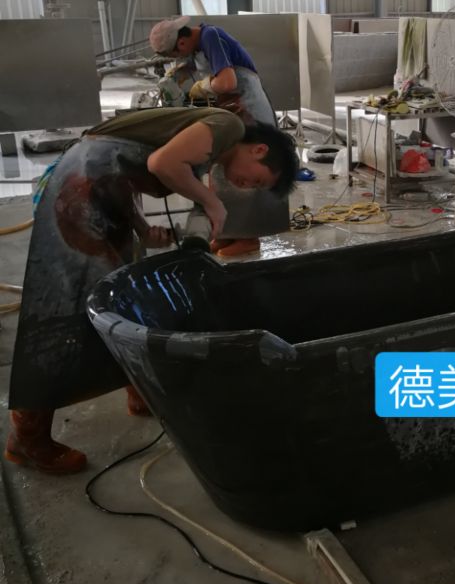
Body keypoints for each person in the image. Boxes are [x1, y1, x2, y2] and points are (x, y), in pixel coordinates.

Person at [5, 106, 298, 476]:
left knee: (125, 296)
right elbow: (161, 163)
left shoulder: (209, 154)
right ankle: (27, 436)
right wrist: (212, 202)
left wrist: (143, 229)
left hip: (100, 193)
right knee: (72, 309)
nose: (246, 186)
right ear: (259, 150)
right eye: (257, 180)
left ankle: (137, 389)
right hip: (79, 195)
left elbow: (119, 173)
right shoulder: (229, 126)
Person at [150, 19, 282, 259]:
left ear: (182, 42)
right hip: (232, 108)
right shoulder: (198, 47)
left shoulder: (210, 36)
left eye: (175, 54)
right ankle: (226, 234)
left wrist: (204, 86)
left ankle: (248, 238)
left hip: (248, 108)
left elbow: (227, 82)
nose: (178, 57)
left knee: (243, 173)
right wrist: (177, 75)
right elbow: (193, 70)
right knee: (222, 171)